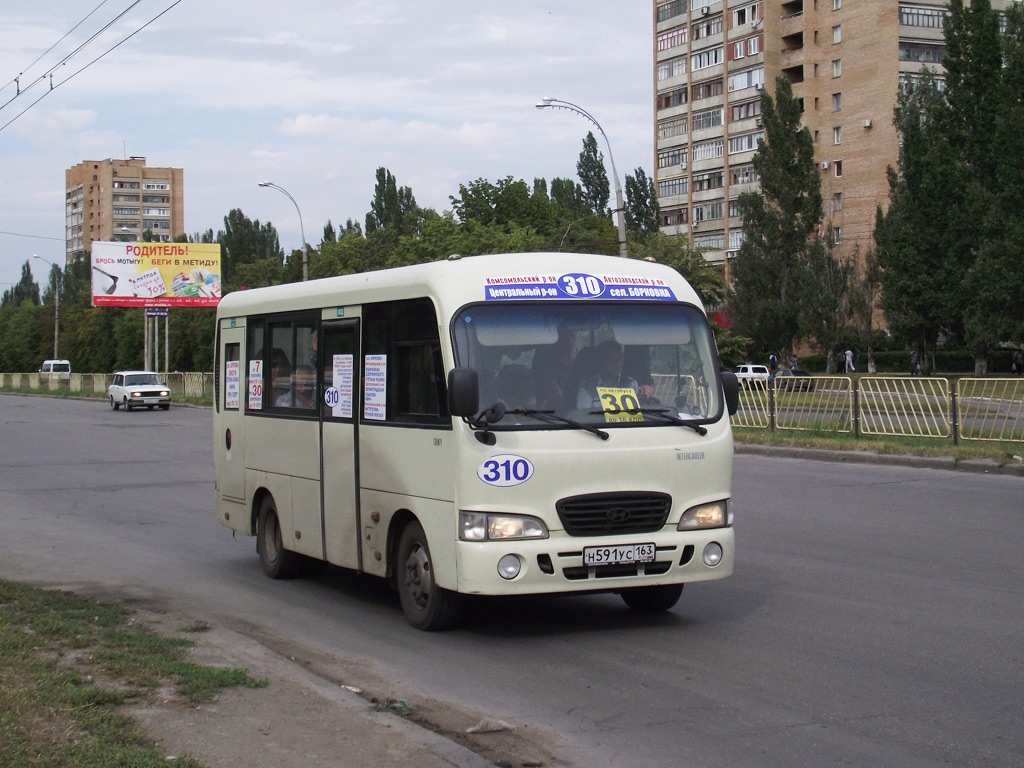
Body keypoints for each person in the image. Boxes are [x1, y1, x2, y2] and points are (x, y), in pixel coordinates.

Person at [576, 340, 639, 409]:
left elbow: (634, 413)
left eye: (620, 358)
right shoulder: (587, 388)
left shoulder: (630, 384)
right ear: (601, 361)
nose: (618, 362)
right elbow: (584, 416)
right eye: (613, 359)